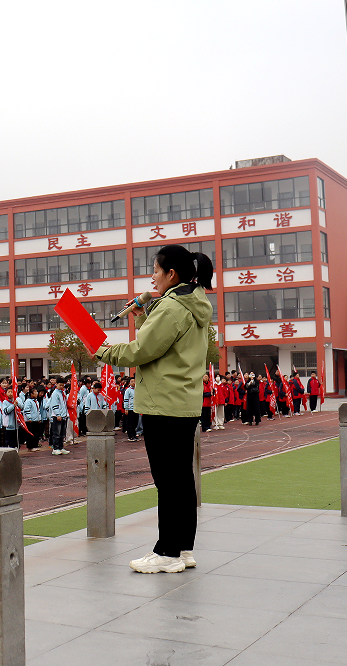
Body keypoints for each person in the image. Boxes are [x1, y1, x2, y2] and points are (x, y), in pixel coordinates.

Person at [95, 244, 214, 574]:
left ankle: (167, 552)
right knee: (182, 478)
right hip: (183, 402)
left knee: (168, 480)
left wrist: (102, 351)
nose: (152, 278)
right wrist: (145, 317)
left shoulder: (171, 307)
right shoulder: (193, 302)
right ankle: (183, 548)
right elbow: (168, 346)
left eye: (156, 271)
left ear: (171, 274)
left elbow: (140, 351)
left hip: (163, 403)